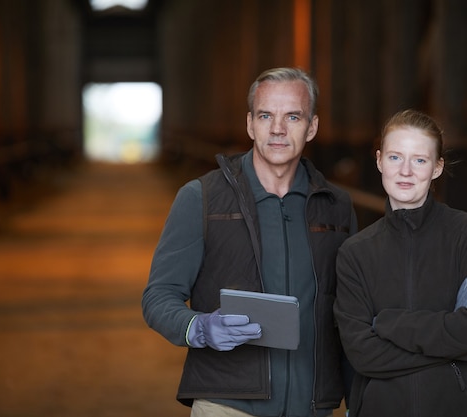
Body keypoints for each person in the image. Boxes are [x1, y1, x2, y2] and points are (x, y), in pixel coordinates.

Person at [142, 67, 357, 417]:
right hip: (227, 406)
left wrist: (357, 401)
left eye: (293, 116)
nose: (277, 129)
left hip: (314, 408)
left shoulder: (338, 208)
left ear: (312, 127)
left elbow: (352, 314)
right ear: (249, 124)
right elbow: (157, 296)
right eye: (266, 115)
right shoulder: (202, 199)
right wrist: (197, 328)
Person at [333, 109, 467, 416]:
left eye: (419, 159)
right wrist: (453, 347)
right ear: (379, 161)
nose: (406, 171)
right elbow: (363, 354)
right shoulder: (355, 253)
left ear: (437, 167)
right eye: (395, 157)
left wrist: (390, 323)